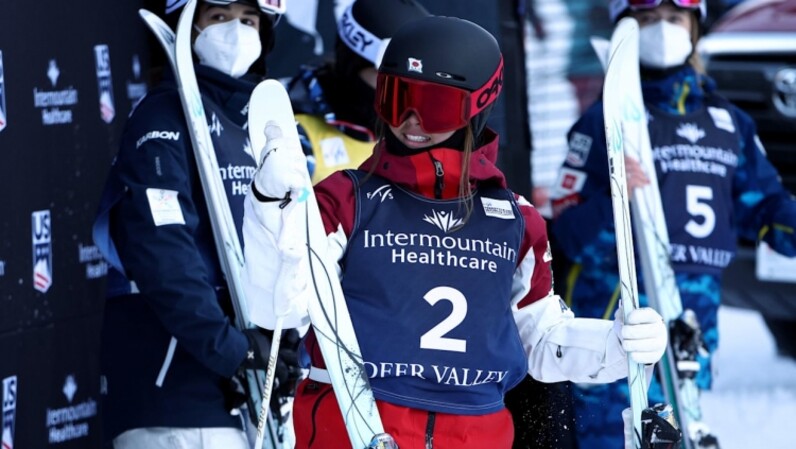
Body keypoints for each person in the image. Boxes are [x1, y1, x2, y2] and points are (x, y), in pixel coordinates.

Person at [242, 15, 669, 449]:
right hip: (354, 428)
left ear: (476, 107)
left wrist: (615, 345)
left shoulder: (515, 220)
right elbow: (279, 306)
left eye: (432, 106)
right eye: (396, 99)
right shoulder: (347, 200)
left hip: (473, 433)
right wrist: (268, 205)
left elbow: (540, 340)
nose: (410, 120)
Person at [548, 0, 796, 447]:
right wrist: (614, 197)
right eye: (646, 20)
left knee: (677, 434)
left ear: (695, 28)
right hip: (614, 328)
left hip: (689, 327)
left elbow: (767, 207)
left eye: (674, 19)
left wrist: (786, 223)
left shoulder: (728, 122)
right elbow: (565, 236)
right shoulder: (600, 123)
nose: (661, 30)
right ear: (624, 30)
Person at [92, 1, 301, 447]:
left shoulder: (264, 125)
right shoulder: (162, 117)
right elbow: (162, 251)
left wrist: (282, 346)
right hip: (174, 394)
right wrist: (232, 349)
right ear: (187, 26)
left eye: (248, 20)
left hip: (250, 395)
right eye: (219, 17)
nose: (236, 32)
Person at [286, 0, 430, 184]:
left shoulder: (423, 136)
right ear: (352, 66)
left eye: (412, 83)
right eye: (388, 79)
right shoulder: (293, 129)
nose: (402, 94)